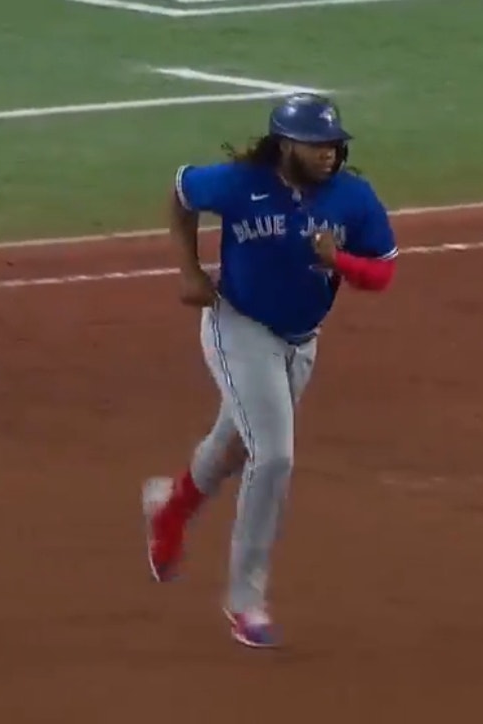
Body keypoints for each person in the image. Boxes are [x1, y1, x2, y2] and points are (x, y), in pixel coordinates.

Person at [141, 93, 398, 649]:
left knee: (234, 446)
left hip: (301, 341)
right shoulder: (239, 183)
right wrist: (189, 271)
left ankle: (171, 509)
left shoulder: (353, 198)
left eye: (334, 144)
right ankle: (246, 601)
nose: (329, 153)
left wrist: (339, 262)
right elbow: (181, 190)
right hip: (237, 327)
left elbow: (381, 274)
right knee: (274, 455)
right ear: (286, 144)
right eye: (317, 144)